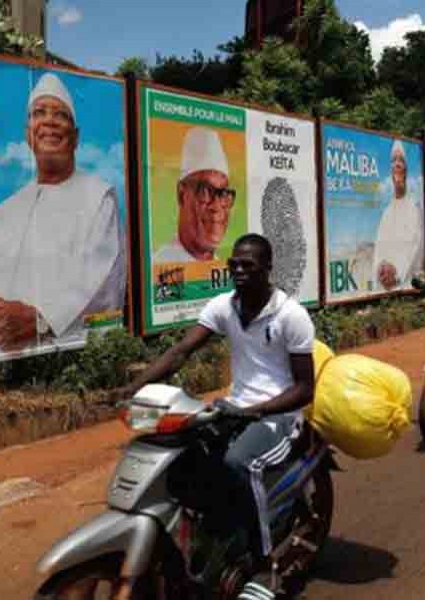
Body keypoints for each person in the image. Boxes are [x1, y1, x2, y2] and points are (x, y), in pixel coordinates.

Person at [111, 233, 315, 600]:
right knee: (185, 456)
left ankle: (262, 563)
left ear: (268, 268)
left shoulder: (290, 315)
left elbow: (305, 388)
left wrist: (256, 410)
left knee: (240, 462)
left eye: (248, 265)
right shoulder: (224, 306)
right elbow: (180, 351)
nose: (238, 270)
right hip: (236, 408)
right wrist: (132, 388)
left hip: (280, 417)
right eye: (234, 264)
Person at [0, 72, 126, 351]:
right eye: (39, 112)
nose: (49, 120)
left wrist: (40, 321)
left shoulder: (98, 197)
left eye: (61, 115)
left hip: (68, 359)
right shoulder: (6, 211)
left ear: (76, 137)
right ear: (28, 135)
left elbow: (102, 285)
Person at [154, 127, 236, 263]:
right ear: (181, 195)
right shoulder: (161, 265)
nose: (216, 207)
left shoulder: (223, 268)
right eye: (205, 191)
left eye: (223, 194)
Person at [371, 140, 425, 292]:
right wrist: (381, 268)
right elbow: (379, 249)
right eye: (394, 160)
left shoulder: (414, 209)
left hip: (406, 286)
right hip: (385, 288)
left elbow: (416, 246)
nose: (397, 164)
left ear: (406, 169)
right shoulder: (386, 213)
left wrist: (397, 272)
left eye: (401, 160)